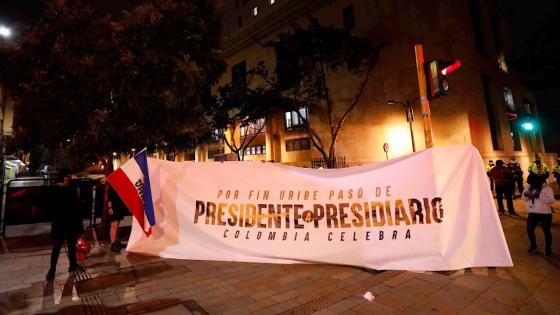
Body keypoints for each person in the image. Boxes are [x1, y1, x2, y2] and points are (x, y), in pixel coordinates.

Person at [46, 173, 84, 281]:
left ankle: (66, 266)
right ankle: (56, 269)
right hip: (65, 222)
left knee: (65, 245)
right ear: (65, 178)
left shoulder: (59, 189)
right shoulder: (64, 189)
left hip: (64, 222)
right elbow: (74, 198)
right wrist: (75, 181)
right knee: (63, 245)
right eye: (69, 177)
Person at [522, 173, 555, 256]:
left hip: (545, 214)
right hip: (533, 213)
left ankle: (548, 249)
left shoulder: (547, 188)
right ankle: (533, 246)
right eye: (529, 183)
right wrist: (527, 195)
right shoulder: (528, 187)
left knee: (546, 231)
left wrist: (539, 195)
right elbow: (524, 198)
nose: (529, 184)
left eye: (531, 182)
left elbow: (551, 200)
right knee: (529, 230)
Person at [108, 185, 128, 252]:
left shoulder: (119, 183)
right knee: (114, 225)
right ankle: (113, 244)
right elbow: (109, 197)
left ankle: (116, 242)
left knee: (116, 226)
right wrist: (110, 207)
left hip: (119, 207)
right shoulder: (112, 185)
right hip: (114, 207)